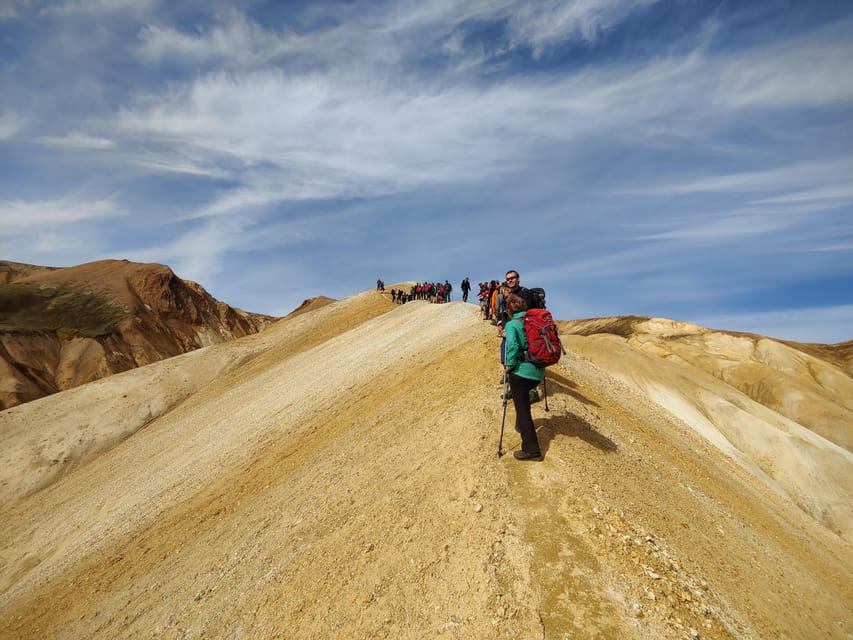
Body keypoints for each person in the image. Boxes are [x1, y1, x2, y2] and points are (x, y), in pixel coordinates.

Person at [503, 293, 545, 460]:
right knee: (523, 403)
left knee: (523, 409)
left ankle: (531, 449)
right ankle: (520, 425)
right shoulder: (534, 321)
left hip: (521, 372)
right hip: (538, 372)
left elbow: (512, 345)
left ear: (509, 310)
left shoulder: (512, 324)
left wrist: (509, 365)